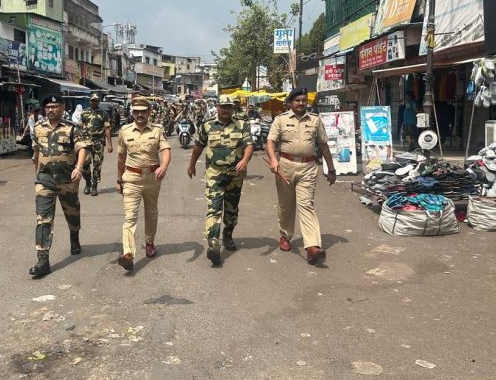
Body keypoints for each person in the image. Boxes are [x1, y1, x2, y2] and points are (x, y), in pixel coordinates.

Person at [265, 87, 336, 265]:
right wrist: (273, 160)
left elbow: (324, 145)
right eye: (297, 100)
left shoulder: (315, 120)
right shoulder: (281, 120)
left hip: (309, 167)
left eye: (304, 100)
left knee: (306, 204)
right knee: (286, 205)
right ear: (290, 103)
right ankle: (285, 235)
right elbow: (270, 141)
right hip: (285, 166)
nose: (301, 103)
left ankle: (312, 246)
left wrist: (331, 169)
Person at [187, 95, 253, 266]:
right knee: (214, 208)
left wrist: (244, 161)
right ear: (217, 107)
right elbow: (198, 146)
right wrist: (192, 165)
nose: (225, 110)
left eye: (228, 107)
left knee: (231, 209)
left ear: (232, 108)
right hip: (214, 174)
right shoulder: (207, 125)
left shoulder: (241, 125)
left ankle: (228, 235)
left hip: (235, 176)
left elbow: (249, 146)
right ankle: (213, 243)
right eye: (223, 107)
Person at [29, 94, 87, 277]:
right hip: (44, 180)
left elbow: (82, 148)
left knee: (72, 213)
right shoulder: (38, 129)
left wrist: (79, 168)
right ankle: (43, 259)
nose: (50, 110)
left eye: (54, 106)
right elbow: (36, 151)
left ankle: (74, 236)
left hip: (67, 180)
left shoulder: (71, 128)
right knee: (43, 219)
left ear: (62, 108)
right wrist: (36, 173)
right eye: (47, 107)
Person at [115, 98, 171, 271]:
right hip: (131, 178)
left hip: (153, 178)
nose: (139, 114)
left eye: (143, 111)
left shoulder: (157, 130)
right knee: (130, 216)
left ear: (149, 112)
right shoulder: (124, 131)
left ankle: (149, 242)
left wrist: (164, 166)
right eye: (136, 111)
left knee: (151, 212)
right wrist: (119, 179)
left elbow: (166, 150)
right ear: (132, 112)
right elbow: (121, 158)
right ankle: (128, 253)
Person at [80, 94, 114, 196]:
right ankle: (87, 183)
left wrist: (109, 144)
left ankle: (94, 186)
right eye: (92, 101)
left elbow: (107, 129)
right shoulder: (84, 113)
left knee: (97, 164)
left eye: (96, 101)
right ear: (90, 101)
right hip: (86, 142)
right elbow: (79, 128)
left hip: (98, 141)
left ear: (98, 102)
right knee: (85, 164)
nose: (94, 102)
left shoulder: (103, 114)